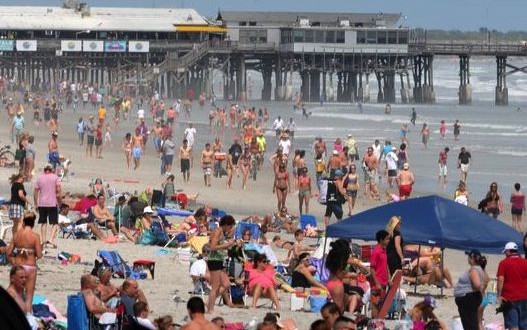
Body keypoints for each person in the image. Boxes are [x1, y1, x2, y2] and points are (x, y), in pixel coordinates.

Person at [6, 212, 42, 314]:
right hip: (30, 266)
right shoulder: (35, 236)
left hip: (18, 265)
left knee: (16, 293)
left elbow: (8, 252)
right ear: (33, 223)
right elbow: (39, 255)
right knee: (29, 297)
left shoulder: (16, 235)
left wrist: (13, 262)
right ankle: (27, 318)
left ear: (24, 222)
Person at [324, 239, 362, 314]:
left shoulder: (332, 257)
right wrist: (352, 274)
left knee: (339, 304)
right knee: (339, 308)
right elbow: (339, 274)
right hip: (337, 284)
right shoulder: (339, 261)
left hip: (330, 282)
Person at [207, 215, 235, 313]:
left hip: (219, 260)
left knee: (226, 284)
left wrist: (228, 247)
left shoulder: (221, 233)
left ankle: (209, 303)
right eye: (230, 227)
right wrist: (226, 245)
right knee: (215, 286)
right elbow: (213, 247)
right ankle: (210, 309)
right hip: (214, 260)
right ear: (226, 225)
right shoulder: (218, 231)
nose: (231, 229)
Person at [496, 242, 527, 330]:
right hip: (525, 297)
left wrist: (499, 295)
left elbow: (500, 279)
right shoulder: (525, 262)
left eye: (505, 252)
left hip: (509, 298)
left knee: (513, 325)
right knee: (524, 325)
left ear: (509, 251)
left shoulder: (503, 263)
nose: (505, 254)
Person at [454, 249, 485, 330]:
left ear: (472, 258)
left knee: (470, 325)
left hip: (468, 298)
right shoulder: (479, 269)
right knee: (473, 323)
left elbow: (477, 285)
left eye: (468, 256)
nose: (467, 258)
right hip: (470, 298)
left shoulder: (474, 269)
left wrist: (474, 290)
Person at [34, 163, 61, 248]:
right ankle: (51, 240)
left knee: (43, 222)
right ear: (51, 170)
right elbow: (58, 190)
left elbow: (35, 192)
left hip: (42, 203)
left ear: (44, 170)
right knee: (54, 223)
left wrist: (35, 203)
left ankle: (43, 240)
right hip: (52, 202)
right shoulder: (55, 177)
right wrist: (60, 201)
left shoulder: (40, 178)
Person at [370, 230, 391, 318]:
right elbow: (372, 268)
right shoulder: (376, 251)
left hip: (383, 282)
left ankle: (378, 324)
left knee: (380, 305)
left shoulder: (384, 250)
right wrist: (377, 283)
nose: (388, 241)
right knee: (375, 305)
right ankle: (374, 325)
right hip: (377, 283)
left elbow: (385, 265)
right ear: (381, 240)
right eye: (387, 239)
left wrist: (389, 278)